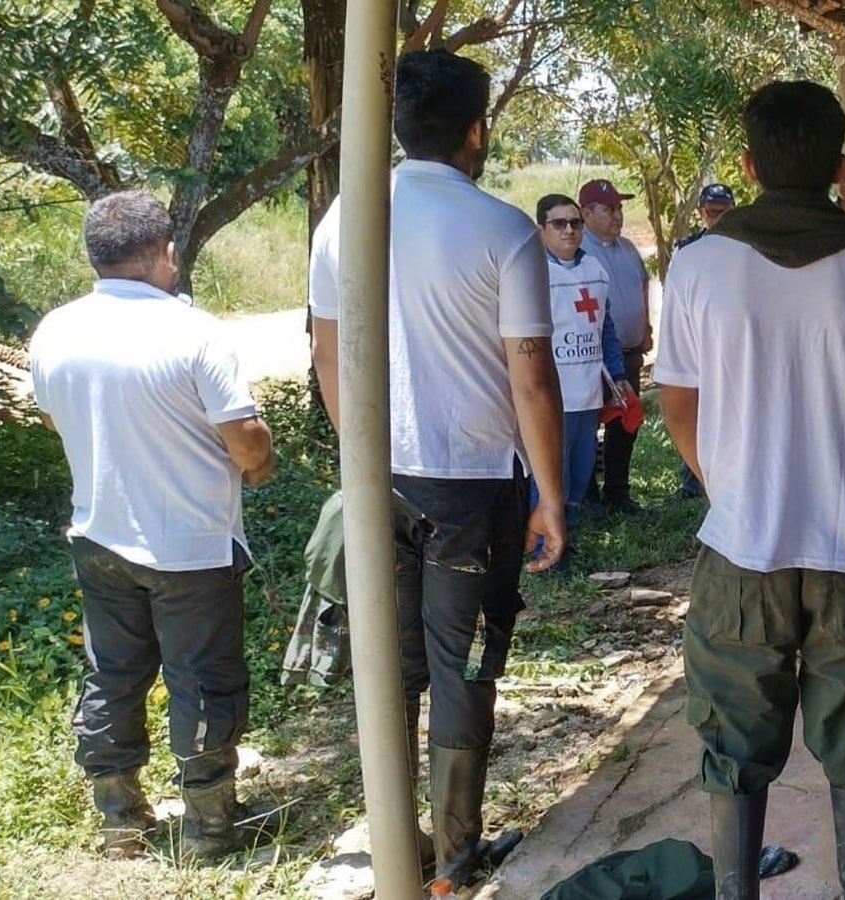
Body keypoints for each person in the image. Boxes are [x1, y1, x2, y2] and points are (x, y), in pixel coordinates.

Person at [655, 80, 845, 900]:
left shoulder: (700, 266)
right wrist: (839, 464)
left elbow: (679, 407)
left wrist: (735, 484)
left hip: (741, 546)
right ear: (837, 164)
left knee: (733, 737)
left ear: (748, 163)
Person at [308, 49, 566, 886]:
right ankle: (454, 853)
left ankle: (396, 842)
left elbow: (327, 356)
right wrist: (553, 497)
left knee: (394, 659)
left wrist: (360, 466)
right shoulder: (501, 228)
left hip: (378, 476)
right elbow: (530, 374)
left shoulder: (343, 217)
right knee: (465, 665)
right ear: (476, 130)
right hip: (472, 483)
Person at [28, 190, 280, 861]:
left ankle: (120, 820)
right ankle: (209, 827)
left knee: (113, 675)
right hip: (190, 545)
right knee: (202, 679)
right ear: (164, 252)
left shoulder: (55, 330)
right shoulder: (193, 332)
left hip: (99, 533)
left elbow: (55, 418)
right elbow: (247, 439)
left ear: (95, 256)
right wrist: (257, 466)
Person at [537, 193, 634, 526]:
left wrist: (618, 375)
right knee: (551, 470)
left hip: (588, 393)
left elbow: (605, 327)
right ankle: (546, 543)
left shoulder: (594, 268)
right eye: (559, 223)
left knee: (581, 467)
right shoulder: (533, 275)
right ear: (541, 230)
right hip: (551, 395)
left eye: (575, 223)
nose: (569, 230)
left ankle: (571, 531)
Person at [579, 177, 651, 515]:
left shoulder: (628, 249)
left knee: (625, 424)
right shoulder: (578, 252)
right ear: (587, 213)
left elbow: (642, 287)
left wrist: (646, 327)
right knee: (587, 427)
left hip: (629, 357)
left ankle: (618, 493)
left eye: (620, 208)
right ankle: (588, 498)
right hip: (594, 361)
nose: (618, 216)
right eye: (609, 209)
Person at [671, 183, 736, 499]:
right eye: (711, 212)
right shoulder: (687, 250)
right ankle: (692, 478)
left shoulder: (744, 248)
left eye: (723, 212)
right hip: (695, 340)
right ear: (700, 212)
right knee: (694, 404)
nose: (716, 218)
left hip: (731, 340)